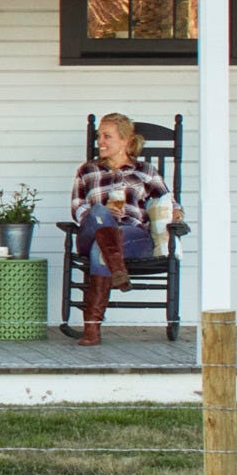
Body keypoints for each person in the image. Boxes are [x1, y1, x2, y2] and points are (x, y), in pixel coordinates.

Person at [64, 109, 176, 344]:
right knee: (100, 213)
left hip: (132, 236)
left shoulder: (145, 171)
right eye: (99, 136)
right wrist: (102, 213)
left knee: (101, 248)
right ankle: (118, 271)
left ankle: (92, 330)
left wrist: (174, 215)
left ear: (125, 140)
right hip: (90, 230)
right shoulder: (88, 170)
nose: (100, 142)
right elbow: (77, 208)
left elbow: (170, 204)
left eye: (107, 136)